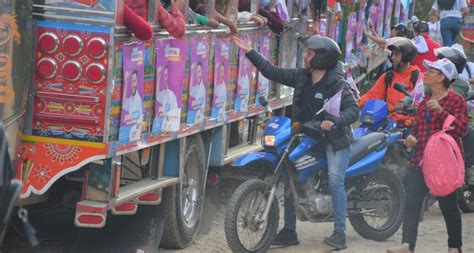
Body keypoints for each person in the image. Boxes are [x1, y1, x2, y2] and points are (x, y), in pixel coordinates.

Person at [232, 34, 360, 250]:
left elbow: (353, 110)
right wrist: (249, 51)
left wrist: (335, 122)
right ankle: (289, 231)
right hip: (308, 136)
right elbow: (272, 72)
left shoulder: (337, 84)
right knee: (289, 175)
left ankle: (340, 232)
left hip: (335, 140)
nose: (304, 57)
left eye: (308, 53)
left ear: (320, 58)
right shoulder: (302, 77)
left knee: (336, 179)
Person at [387, 59, 469, 253]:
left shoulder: (456, 100)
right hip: (421, 160)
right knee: (412, 201)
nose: (425, 73)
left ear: (441, 77)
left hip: (444, 163)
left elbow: (462, 129)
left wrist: (441, 112)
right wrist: (411, 139)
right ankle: (407, 245)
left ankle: (454, 247)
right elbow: (418, 129)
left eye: (431, 71)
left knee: (448, 206)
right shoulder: (424, 101)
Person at [359, 38, 420, 118]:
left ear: (406, 57)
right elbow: (372, 95)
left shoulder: (417, 77)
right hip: (389, 120)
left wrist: (406, 106)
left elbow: (419, 101)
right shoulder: (388, 76)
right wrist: (355, 103)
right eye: (392, 54)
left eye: (397, 54)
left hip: (408, 122)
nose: (392, 58)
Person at [157, 66, 180, 131]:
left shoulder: (172, 95)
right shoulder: (164, 93)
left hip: (170, 127)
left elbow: (174, 118)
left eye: (167, 76)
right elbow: (158, 96)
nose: (165, 79)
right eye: (164, 76)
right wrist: (158, 77)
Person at [123, 70, 144, 141]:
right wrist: (125, 83)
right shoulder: (131, 98)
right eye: (131, 82)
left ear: (137, 81)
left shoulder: (138, 99)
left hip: (134, 131)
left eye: (134, 81)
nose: (133, 85)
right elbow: (124, 104)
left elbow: (140, 117)